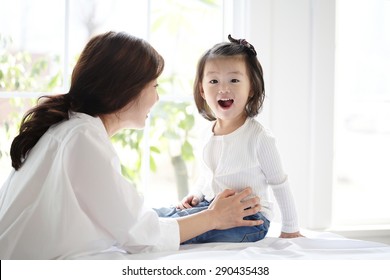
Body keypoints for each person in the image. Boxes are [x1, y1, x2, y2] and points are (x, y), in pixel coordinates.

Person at [0, 31, 262, 259]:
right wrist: (213, 217)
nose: (157, 97)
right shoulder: (81, 137)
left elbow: (127, 217)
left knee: (163, 213)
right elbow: (139, 235)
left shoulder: (72, 128)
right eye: (154, 85)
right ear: (126, 88)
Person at [155, 35, 302, 243]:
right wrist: (196, 194)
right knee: (169, 214)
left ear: (251, 88)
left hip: (250, 218)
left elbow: (279, 183)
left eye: (234, 80)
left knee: (189, 229)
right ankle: (148, 221)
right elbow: (207, 177)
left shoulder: (259, 137)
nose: (223, 88)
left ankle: (156, 233)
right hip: (212, 208)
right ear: (202, 90)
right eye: (214, 81)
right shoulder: (206, 133)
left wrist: (290, 228)